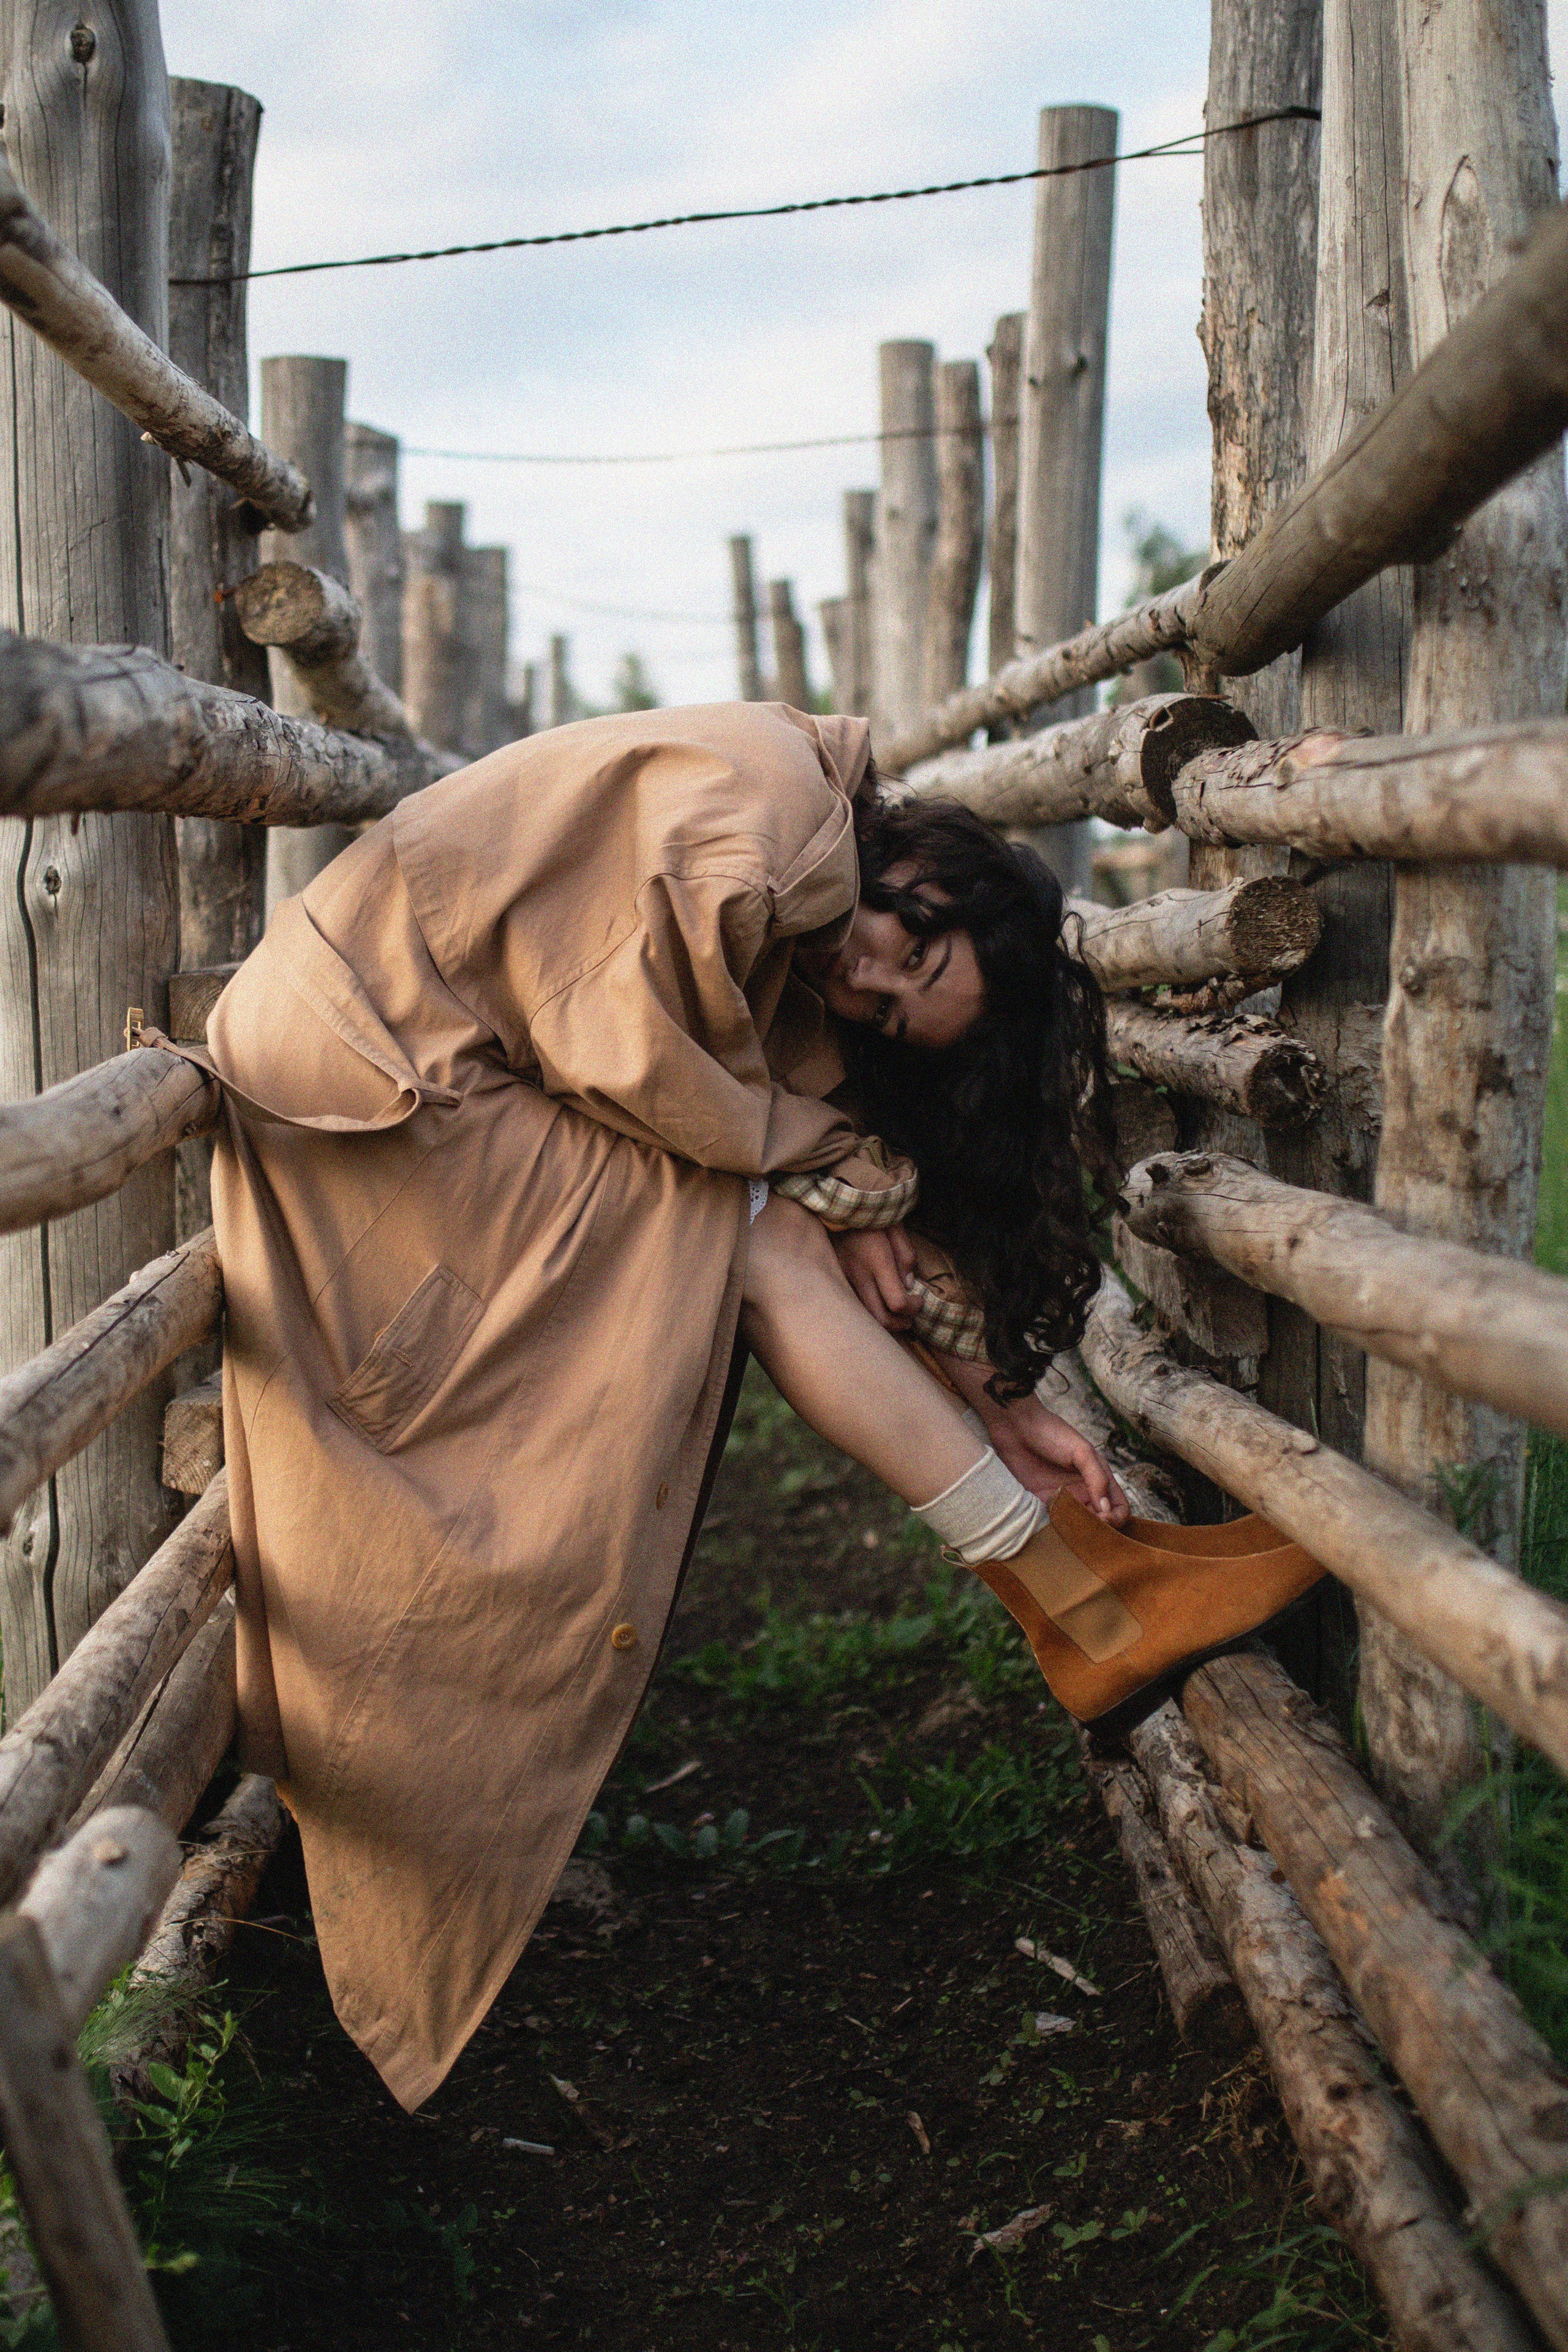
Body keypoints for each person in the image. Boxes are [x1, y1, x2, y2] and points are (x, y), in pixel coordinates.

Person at [193, 700, 1317, 2112]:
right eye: (909, 954)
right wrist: (810, 1166)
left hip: (415, 1052)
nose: (866, 983)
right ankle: (1076, 1595)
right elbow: (626, 1044)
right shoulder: (778, 829)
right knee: (752, 1237)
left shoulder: (806, 902)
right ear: (943, 879)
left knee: (770, 1227)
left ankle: (1083, 1594)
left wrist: (993, 1391)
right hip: (370, 1064)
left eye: (897, 1009)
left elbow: (765, 1104)